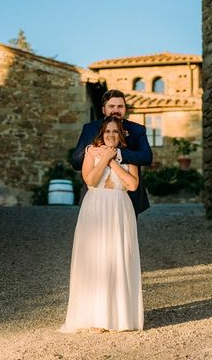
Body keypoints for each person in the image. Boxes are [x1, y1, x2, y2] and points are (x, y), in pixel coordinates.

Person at [60, 116, 143, 333]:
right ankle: (96, 317)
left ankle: (119, 316)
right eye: (107, 132)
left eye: (115, 132)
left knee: (117, 258)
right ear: (101, 134)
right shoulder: (91, 153)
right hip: (95, 208)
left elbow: (133, 185)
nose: (111, 135)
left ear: (121, 135)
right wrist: (103, 158)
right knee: (96, 259)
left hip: (119, 208)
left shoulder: (129, 156)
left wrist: (113, 160)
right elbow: (90, 180)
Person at [71, 90, 153, 216]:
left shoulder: (137, 130)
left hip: (127, 197)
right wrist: (89, 151)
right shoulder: (90, 128)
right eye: (111, 106)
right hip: (95, 197)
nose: (116, 110)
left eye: (120, 106)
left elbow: (147, 157)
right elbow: (76, 162)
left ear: (125, 109)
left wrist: (117, 153)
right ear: (104, 109)